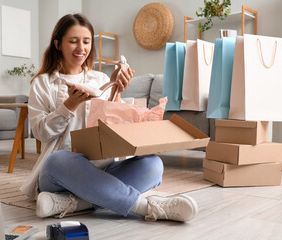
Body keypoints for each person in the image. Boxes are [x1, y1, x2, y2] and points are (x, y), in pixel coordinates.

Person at [20, 13, 198, 222]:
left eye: (86, 42)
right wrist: (69, 105)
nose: (81, 48)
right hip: (61, 171)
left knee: (153, 165)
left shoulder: (100, 79)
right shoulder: (42, 83)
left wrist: (117, 92)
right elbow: (40, 134)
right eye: (73, 41)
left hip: (103, 167)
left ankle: (75, 202)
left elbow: (114, 127)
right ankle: (146, 207)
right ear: (58, 44)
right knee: (59, 160)